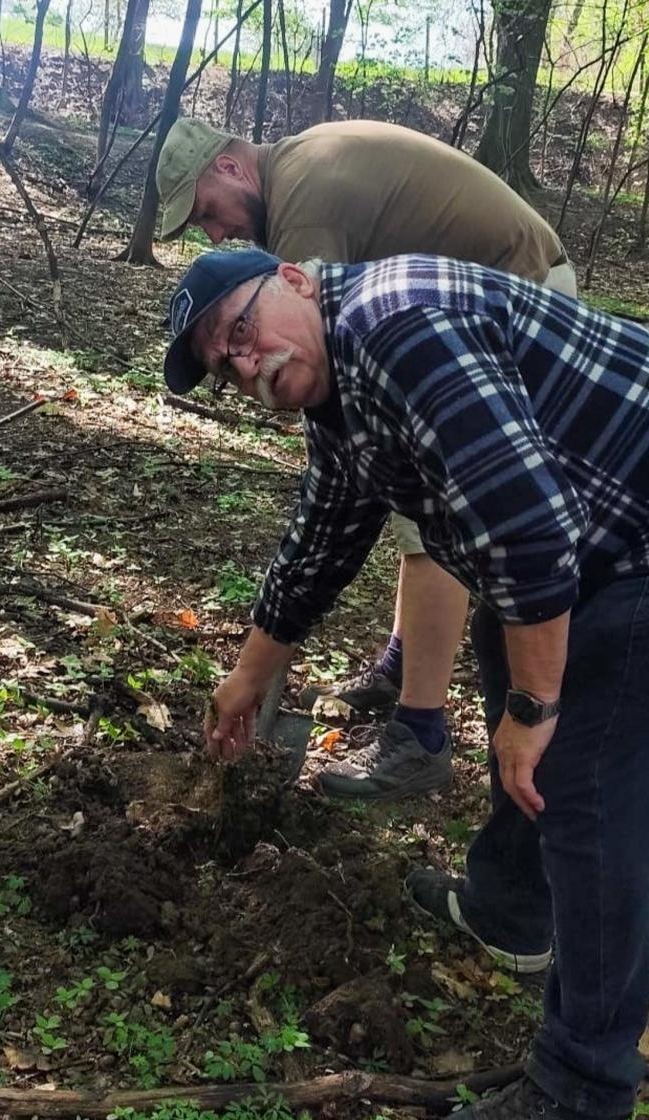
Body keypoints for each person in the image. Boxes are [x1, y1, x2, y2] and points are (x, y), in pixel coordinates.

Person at [161, 247, 649, 1120]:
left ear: (293, 277)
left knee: (589, 781)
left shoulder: (401, 325)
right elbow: (327, 528)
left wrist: (537, 707)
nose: (247, 366)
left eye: (241, 332)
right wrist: (255, 669)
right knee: (508, 653)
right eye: (225, 365)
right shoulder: (339, 388)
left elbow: (530, 537)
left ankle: (584, 1087)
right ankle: (510, 906)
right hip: (603, 508)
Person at [156, 116, 576, 803]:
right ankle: (404, 663)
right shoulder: (298, 165)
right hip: (459, 308)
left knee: (437, 516)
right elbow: (331, 466)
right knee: (386, 483)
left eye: (207, 211)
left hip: (515, 295)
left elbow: (322, 382)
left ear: (231, 168)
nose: (215, 231)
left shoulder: (306, 209)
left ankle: (420, 732)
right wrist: (253, 670)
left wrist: (533, 703)